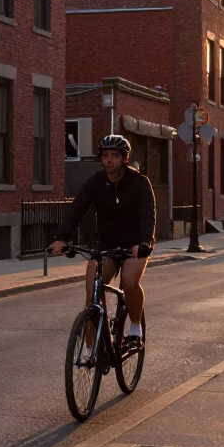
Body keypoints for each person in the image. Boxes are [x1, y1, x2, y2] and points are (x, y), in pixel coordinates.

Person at [50, 134, 155, 348]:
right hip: (106, 244)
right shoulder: (96, 182)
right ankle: (95, 342)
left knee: (130, 281)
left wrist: (144, 242)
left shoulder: (139, 183)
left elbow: (147, 215)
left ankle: (135, 328)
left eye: (115, 156)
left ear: (124, 158)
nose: (109, 160)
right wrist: (61, 237)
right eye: (105, 155)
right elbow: (76, 209)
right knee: (93, 288)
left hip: (134, 244)